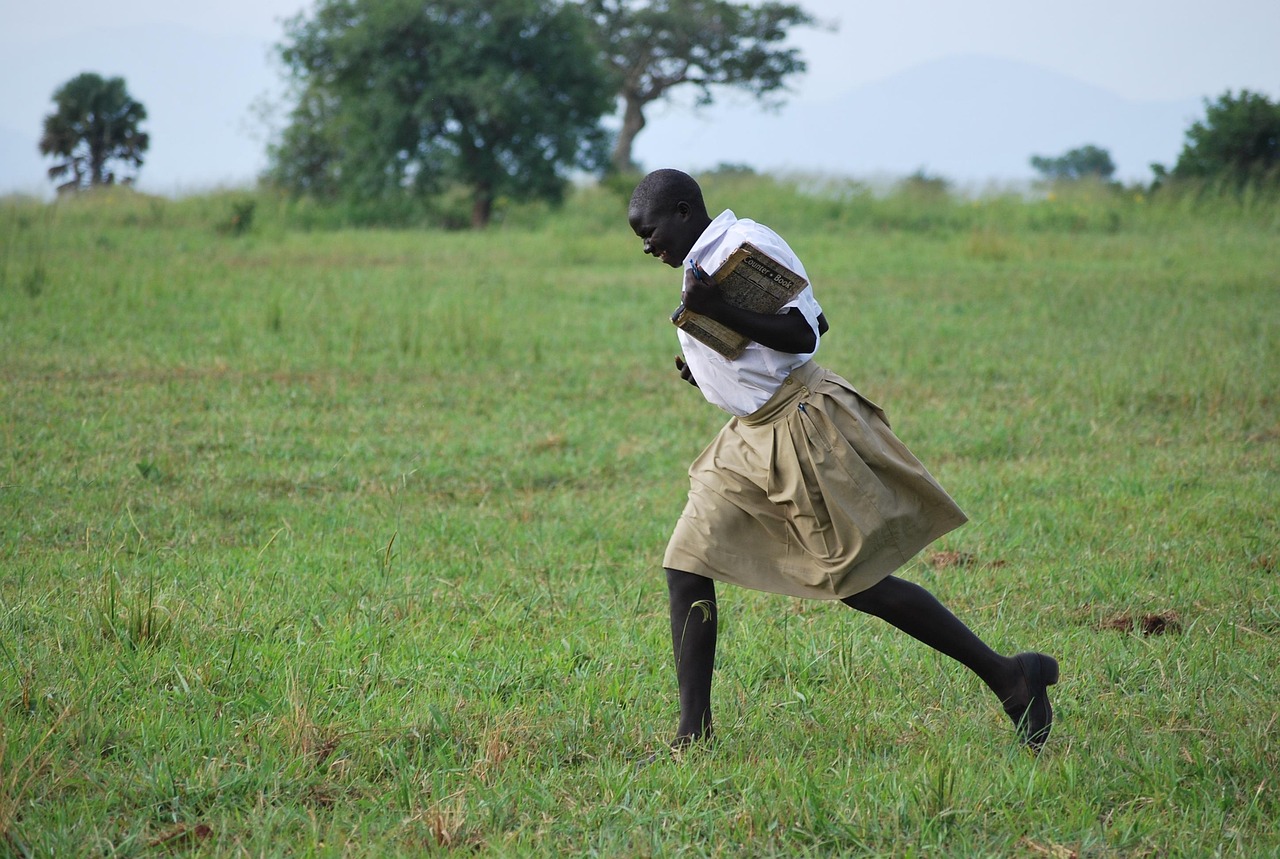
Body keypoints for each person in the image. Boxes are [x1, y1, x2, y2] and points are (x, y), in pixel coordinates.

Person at [627, 168, 1059, 753]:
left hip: (797, 426)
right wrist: (708, 364)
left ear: (683, 211)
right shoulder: (699, 265)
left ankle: (1011, 678)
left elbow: (804, 333)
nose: (647, 245)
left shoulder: (745, 245)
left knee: (859, 585)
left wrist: (718, 313)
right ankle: (693, 735)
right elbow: (762, 344)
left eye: (650, 232)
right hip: (746, 436)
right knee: (686, 563)